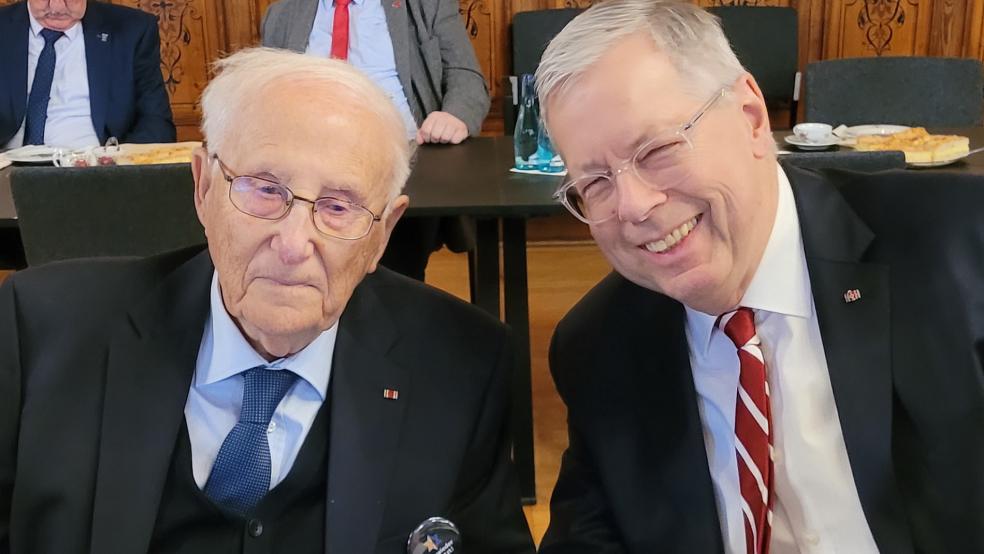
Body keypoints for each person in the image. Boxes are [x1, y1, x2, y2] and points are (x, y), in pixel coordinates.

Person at [0, 47, 534, 553]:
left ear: (382, 235)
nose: (294, 245)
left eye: (339, 206)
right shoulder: (42, 328)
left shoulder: (462, 365)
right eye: (264, 188)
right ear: (203, 188)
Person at [535, 1, 984, 553]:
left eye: (656, 149)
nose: (634, 206)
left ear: (750, 117)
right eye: (596, 182)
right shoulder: (599, 346)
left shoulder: (960, 247)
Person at [261, 0, 491, 281]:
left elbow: (465, 74)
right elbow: (265, 91)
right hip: (310, 164)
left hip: (401, 160)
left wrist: (455, 115)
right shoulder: (283, 13)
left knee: (393, 272)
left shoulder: (427, 5)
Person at [0, 0, 175, 149]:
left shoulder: (132, 30)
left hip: (94, 173)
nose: (57, 8)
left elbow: (157, 122)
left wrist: (118, 166)